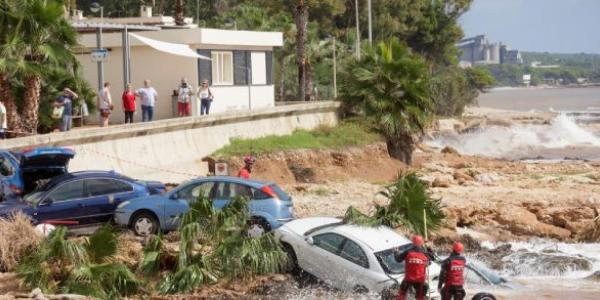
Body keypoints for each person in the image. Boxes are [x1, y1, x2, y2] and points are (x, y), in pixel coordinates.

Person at [394, 235, 436, 300]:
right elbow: (433, 257)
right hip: (420, 280)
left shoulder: (408, 252)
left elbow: (398, 259)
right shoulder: (425, 253)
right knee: (420, 297)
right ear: (422, 243)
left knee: (401, 295)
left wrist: (396, 251)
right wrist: (429, 248)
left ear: (413, 242)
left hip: (408, 279)